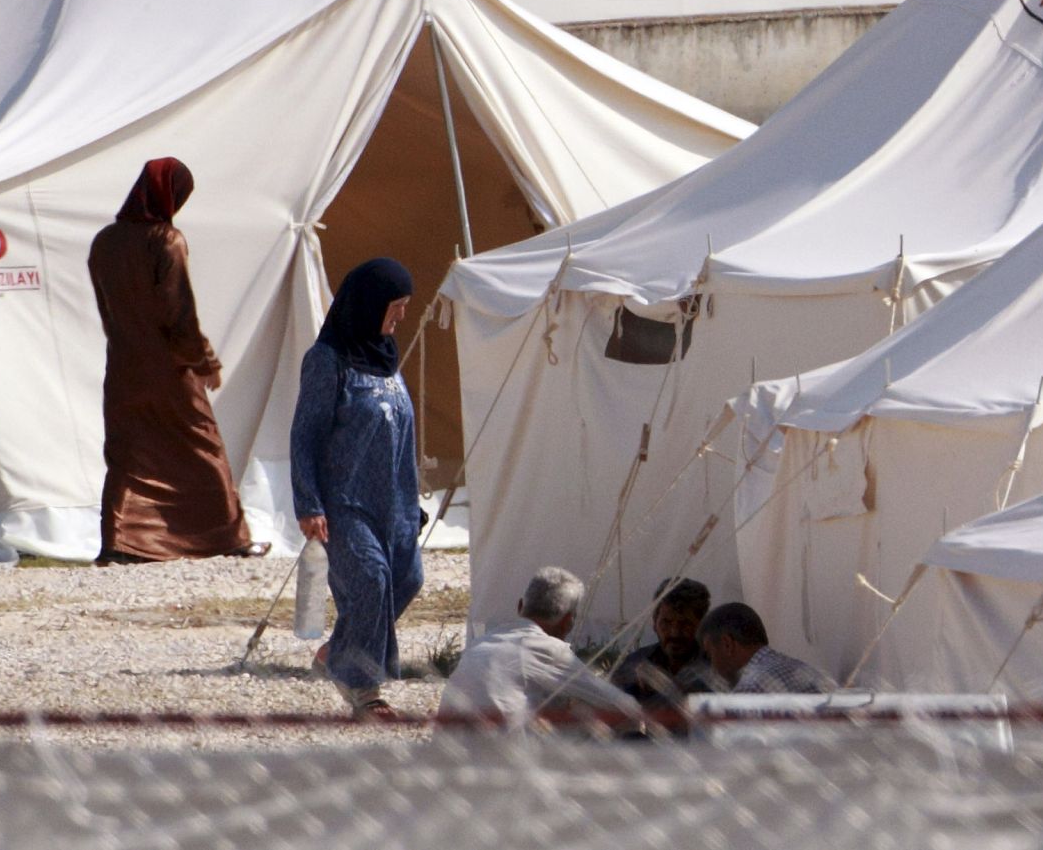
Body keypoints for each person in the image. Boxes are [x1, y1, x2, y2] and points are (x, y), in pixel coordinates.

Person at [88, 157, 265, 564]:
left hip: (124, 368)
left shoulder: (104, 242)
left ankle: (119, 541)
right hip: (169, 369)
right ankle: (227, 538)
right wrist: (205, 362)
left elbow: (107, 309)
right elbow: (178, 312)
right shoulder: (166, 239)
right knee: (203, 447)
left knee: (129, 455)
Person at [291, 257, 423, 719]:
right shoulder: (327, 361)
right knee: (370, 580)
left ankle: (337, 652)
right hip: (344, 503)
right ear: (368, 304)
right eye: (395, 305)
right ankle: (363, 689)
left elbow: (399, 433)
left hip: (396, 503)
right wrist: (308, 502)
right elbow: (304, 434)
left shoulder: (385, 359)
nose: (401, 315)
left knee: (407, 579)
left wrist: (413, 503)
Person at [440, 567, 640, 725]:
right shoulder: (548, 650)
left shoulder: (479, 644)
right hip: (499, 759)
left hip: (446, 754)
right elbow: (622, 706)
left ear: (520, 606)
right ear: (568, 620)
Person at [610, 578, 718, 704]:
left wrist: (667, 687)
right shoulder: (637, 663)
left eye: (685, 624)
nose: (675, 633)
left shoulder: (719, 665)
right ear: (655, 623)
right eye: (666, 623)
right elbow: (612, 704)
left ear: (702, 626)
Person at [697, 602, 835, 694]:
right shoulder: (811, 673)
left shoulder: (749, 690)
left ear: (727, 644)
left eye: (709, 655)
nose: (712, 666)